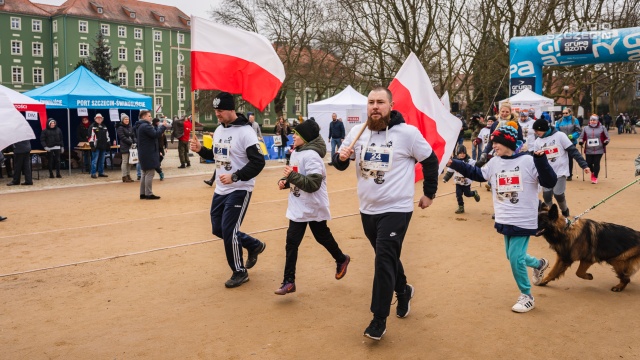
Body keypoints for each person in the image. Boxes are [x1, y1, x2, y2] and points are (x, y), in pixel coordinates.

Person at [332, 87, 439, 341]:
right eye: (371, 102)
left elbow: (431, 160)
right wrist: (342, 157)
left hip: (397, 209)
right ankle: (403, 290)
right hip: (367, 209)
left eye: (380, 102)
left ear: (391, 105)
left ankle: (378, 319)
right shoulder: (358, 133)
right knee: (386, 256)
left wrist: (429, 193)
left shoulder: (408, 134)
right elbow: (339, 164)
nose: (375, 107)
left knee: (382, 262)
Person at [447, 125, 557, 313]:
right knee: (513, 256)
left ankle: (527, 296)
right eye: (492, 142)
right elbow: (477, 174)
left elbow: (549, 182)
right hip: (504, 217)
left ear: (508, 142)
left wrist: (541, 161)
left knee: (515, 258)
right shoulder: (495, 163)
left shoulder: (529, 160)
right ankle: (539, 264)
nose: (493, 145)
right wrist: (453, 163)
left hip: (523, 218)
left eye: (496, 142)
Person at [190, 92, 267, 288]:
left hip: (240, 187)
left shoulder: (246, 132)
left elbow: (258, 163)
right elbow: (217, 157)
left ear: (231, 109)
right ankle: (253, 244)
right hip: (221, 189)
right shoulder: (218, 130)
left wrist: (236, 176)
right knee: (218, 229)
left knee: (229, 230)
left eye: (221, 110)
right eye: (216, 111)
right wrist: (201, 150)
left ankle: (239, 271)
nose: (217, 114)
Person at [274, 120, 351, 295]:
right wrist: (285, 182)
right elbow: (295, 175)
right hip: (298, 206)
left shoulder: (313, 157)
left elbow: (313, 184)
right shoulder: (296, 153)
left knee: (322, 236)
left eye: (296, 134)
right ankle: (289, 281)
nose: (293, 136)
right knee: (291, 243)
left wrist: (291, 176)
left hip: (314, 205)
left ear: (306, 138)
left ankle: (341, 258)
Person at [532, 119, 590, 217]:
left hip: (560, 171)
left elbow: (573, 151)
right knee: (547, 196)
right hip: (546, 173)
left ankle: (565, 211)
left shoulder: (560, 136)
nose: (536, 133)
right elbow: (534, 159)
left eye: (537, 131)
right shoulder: (537, 142)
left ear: (544, 129)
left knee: (558, 194)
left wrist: (584, 165)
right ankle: (550, 217)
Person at [479, 102, 523, 166]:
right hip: (498, 154)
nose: (504, 114)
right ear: (499, 112)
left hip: (512, 154)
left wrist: (513, 151)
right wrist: (485, 152)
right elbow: (491, 141)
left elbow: (520, 140)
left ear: (510, 112)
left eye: (507, 112)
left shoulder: (515, 124)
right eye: (502, 111)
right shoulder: (495, 124)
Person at [137, 110, 167, 200]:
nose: (151, 117)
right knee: (150, 173)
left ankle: (143, 193)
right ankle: (149, 193)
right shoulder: (146, 126)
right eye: (149, 116)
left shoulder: (141, 126)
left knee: (144, 173)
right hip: (149, 152)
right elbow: (156, 134)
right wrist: (163, 127)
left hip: (144, 152)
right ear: (143, 117)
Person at [442, 145, 480, 214]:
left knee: (467, 194)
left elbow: (476, 165)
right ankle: (461, 207)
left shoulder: (469, 161)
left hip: (466, 182)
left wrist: (481, 162)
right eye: (460, 153)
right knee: (458, 194)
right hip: (458, 182)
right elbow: (450, 171)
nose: (462, 155)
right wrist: (445, 178)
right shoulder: (454, 162)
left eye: (463, 153)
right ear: (457, 154)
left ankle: (474, 193)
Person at [578, 115, 610, 184]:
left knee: (596, 163)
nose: (592, 121)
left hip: (599, 149)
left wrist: (606, 142)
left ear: (597, 121)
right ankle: (592, 173)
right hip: (588, 149)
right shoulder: (585, 128)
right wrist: (581, 141)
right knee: (588, 163)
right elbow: (582, 137)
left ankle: (595, 177)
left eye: (594, 120)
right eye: (591, 120)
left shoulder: (602, 128)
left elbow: (607, 137)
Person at [555, 108, 581, 180]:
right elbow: (556, 130)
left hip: (571, 142)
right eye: (563, 113)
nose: (564, 114)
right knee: (561, 157)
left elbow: (578, 131)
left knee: (570, 158)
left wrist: (573, 136)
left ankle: (569, 174)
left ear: (570, 113)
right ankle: (561, 172)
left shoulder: (574, 120)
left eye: (566, 113)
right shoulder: (559, 121)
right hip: (561, 142)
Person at [88, 113, 110, 179]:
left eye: (100, 118)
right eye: (98, 118)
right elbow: (90, 136)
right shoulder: (92, 126)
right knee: (95, 160)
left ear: (102, 119)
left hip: (103, 146)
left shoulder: (104, 126)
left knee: (102, 160)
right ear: (95, 119)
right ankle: (93, 173)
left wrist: (108, 143)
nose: (99, 119)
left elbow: (107, 136)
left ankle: (101, 172)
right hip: (96, 146)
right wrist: (92, 145)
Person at [116, 113, 136, 183]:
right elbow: (122, 137)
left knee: (130, 162)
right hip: (125, 146)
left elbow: (133, 135)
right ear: (122, 120)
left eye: (127, 119)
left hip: (131, 147)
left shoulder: (130, 127)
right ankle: (124, 176)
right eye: (125, 119)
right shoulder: (120, 128)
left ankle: (128, 175)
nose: (127, 120)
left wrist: (134, 141)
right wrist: (130, 142)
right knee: (125, 161)